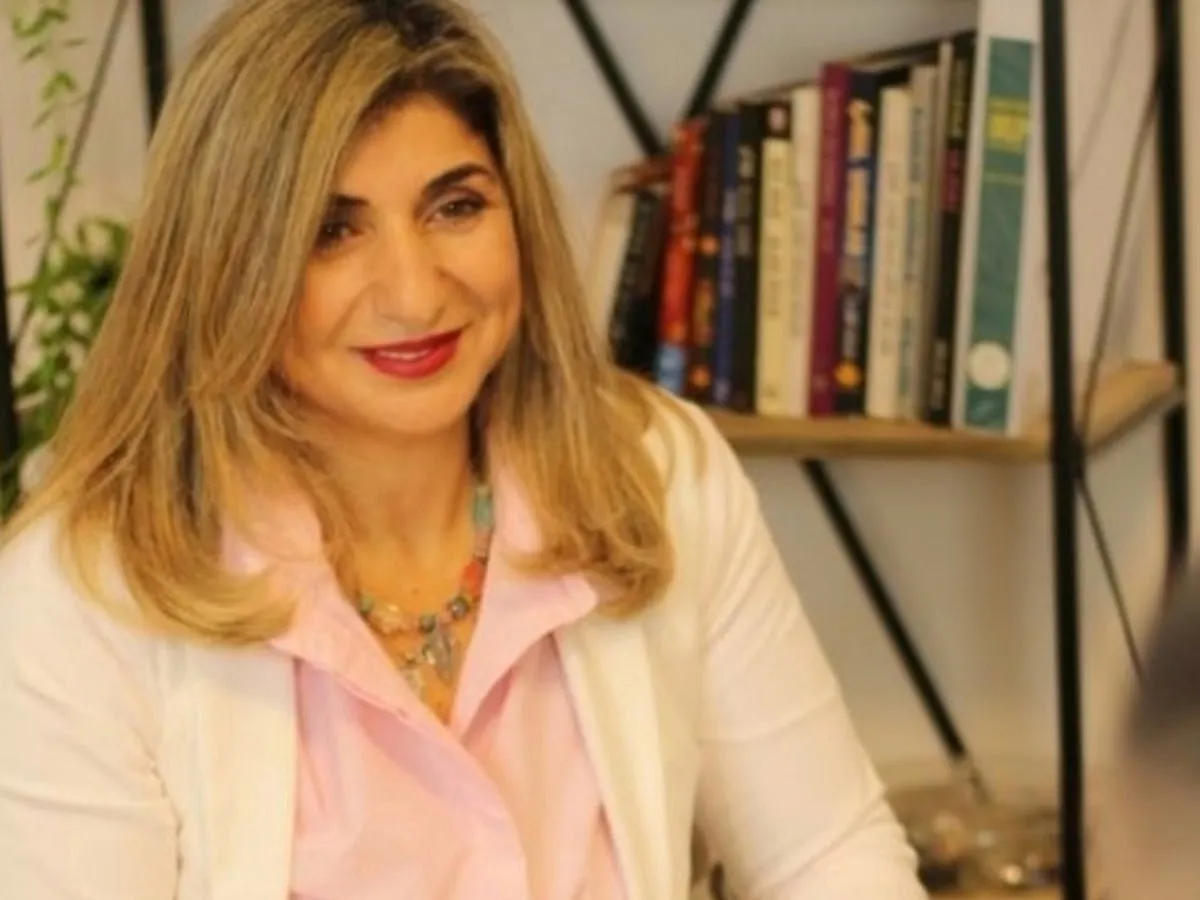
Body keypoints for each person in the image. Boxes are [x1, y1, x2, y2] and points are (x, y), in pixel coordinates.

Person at [0, 1, 927, 898]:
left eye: (454, 207)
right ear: (221, 265)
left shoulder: (656, 470)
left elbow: (825, 856)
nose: (415, 293)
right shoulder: (75, 597)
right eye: (332, 231)